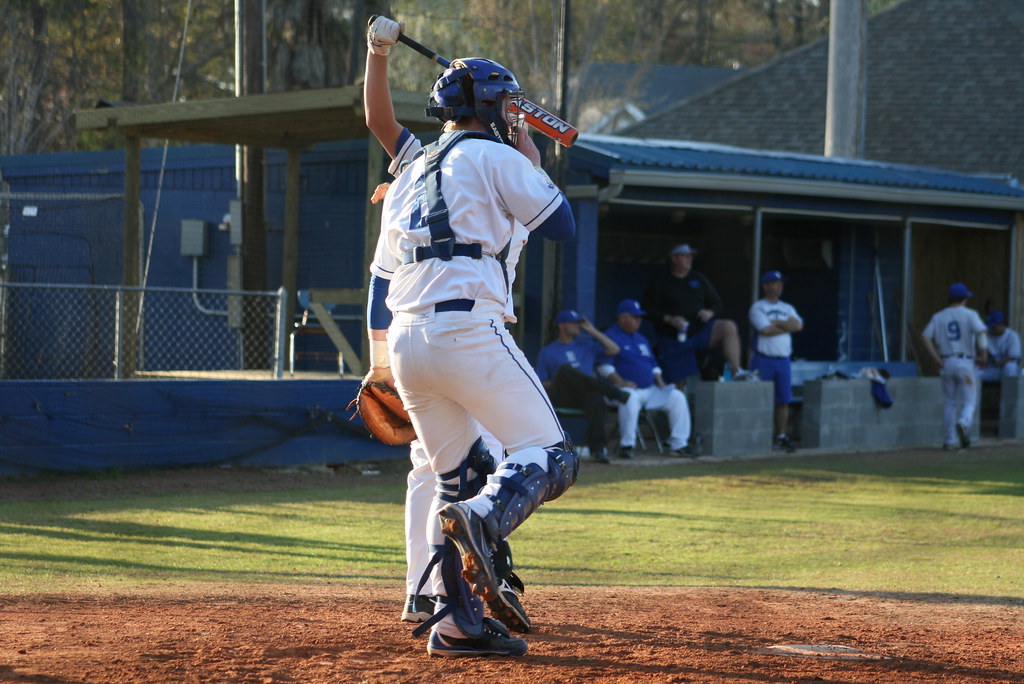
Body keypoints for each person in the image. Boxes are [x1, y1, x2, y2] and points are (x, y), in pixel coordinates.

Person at [364, 20, 578, 658]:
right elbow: (563, 224)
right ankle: (485, 525)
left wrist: (376, 54)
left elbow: (381, 122)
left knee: (454, 482)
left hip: (407, 341)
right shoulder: (497, 157)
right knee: (551, 454)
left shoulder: (413, 164)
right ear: (493, 110)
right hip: (468, 330)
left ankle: (452, 623)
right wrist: (528, 162)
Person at [597, 299, 693, 458]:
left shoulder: (641, 339)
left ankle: (679, 444)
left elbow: (653, 363)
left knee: (677, 396)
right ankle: (627, 446)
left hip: (649, 390)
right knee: (630, 396)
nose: (638, 321)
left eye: (639, 317)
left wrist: (660, 380)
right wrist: (620, 382)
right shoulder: (610, 336)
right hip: (619, 390)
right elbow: (603, 366)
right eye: (635, 317)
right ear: (622, 318)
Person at [642, 243, 747, 387]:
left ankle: (736, 372)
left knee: (728, 326)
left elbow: (717, 303)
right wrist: (669, 319)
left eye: (690, 256)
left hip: (699, 332)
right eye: (685, 256)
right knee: (677, 384)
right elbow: (647, 309)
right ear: (674, 259)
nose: (689, 259)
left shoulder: (698, 278)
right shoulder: (660, 281)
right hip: (673, 339)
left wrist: (710, 312)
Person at [535, 310, 631, 464]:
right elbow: (540, 382)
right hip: (562, 396)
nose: (579, 326)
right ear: (562, 326)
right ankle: (614, 392)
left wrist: (592, 330)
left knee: (595, 396)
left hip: (584, 396)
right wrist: (561, 380)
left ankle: (598, 449)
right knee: (565, 370)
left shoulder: (586, 346)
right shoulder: (548, 351)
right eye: (574, 323)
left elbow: (615, 350)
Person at [921, 282, 989, 451]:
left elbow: (925, 337)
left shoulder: (939, 316)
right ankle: (964, 423)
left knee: (950, 403)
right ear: (964, 298)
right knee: (969, 401)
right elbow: (981, 334)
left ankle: (948, 441)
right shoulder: (970, 314)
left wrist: (936, 358)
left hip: (946, 361)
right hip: (965, 361)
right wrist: (984, 356)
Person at [748, 270, 804, 453]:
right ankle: (757, 437)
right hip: (763, 358)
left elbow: (798, 326)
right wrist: (786, 325)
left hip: (783, 360)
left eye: (780, 283)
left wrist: (777, 323)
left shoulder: (787, 307)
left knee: (783, 400)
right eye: (774, 283)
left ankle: (780, 436)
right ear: (765, 286)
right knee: (759, 399)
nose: (779, 286)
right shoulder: (758, 307)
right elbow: (765, 330)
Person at [978, 311, 1021, 383]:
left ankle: (1009, 393)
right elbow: (982, 355)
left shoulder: (1012, 335)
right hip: (992, 369)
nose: (991, 329)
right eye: (990, 327)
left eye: (993, 327)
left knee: (1010, 367)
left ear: (1001, 324)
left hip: (1006, 370)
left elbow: (1013, 357)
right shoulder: (987, 335)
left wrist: (997, 363)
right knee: (975, 371)